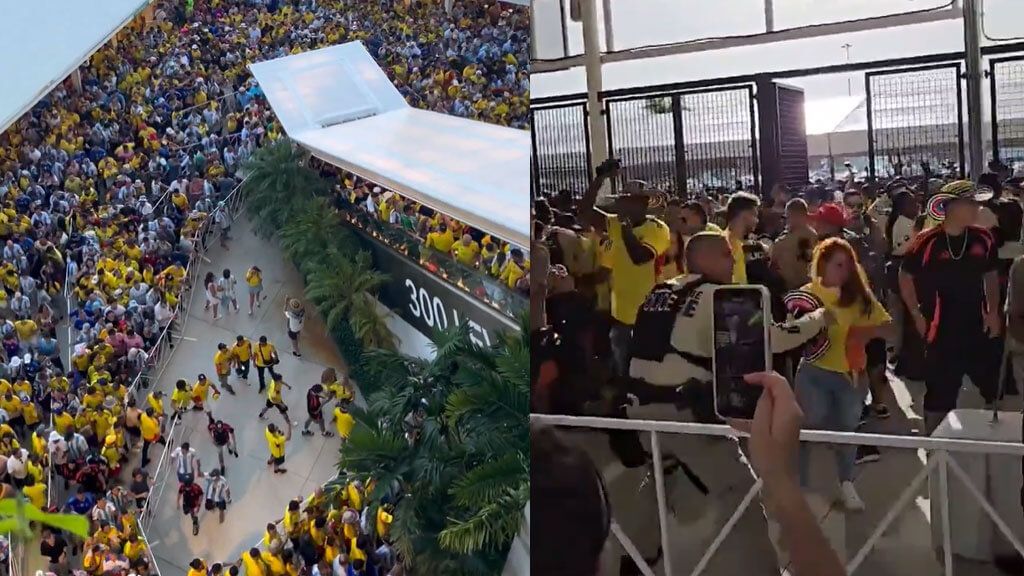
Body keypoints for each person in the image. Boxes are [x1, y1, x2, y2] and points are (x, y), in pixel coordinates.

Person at [532, 371, 845, 576]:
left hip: (652, 423)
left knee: (654, 492)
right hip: (680, 425)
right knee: (733, 500)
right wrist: (782, 481)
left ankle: (642, 557)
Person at [794, 238, 891, 511]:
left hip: (850, 376)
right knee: (806, 429)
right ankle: (800, 488)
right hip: (814, 373)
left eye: (848, 266)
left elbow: (887, 326)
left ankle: (846, 484)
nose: (844, 271)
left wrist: (865, 332)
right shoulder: (806, 294)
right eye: (838, 265)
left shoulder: (858, 296)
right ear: (821, 264)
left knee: (846, 433)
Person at [899, 181, 1001, 433]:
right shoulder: (927, 242)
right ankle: (935, 447)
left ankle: (993, 435)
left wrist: (993, 311)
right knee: (940, 391)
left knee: (993, 384)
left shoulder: (983, 238)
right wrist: (916, 313)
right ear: (951, 207)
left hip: (978, 325)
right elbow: (904, 275)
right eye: (971, 203)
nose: (977, 208)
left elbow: (991, 275)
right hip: (940, 328)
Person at [576, 159, 671, 377]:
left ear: (643, 204)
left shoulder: (657, 229)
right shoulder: (614, 224)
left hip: (648, 314)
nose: (622, 205)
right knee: (623, 369)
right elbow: (584, 212)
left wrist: (626, 228)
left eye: (629, 201)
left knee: (647, 369)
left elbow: (639, 257)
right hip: (620, 314)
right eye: (622, 200)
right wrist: (599, 178)